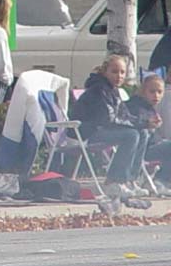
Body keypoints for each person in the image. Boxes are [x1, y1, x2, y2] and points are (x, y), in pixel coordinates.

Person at [72, 54, 147, 200]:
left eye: (122, 72)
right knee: (131, 135)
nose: (119, 76)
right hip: (88, 131)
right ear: (105, 72)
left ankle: (129, 180)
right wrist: (138, 124)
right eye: (114, 71)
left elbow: (124, 115)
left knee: (142, 132)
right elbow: (108, 118)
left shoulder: (113, 89)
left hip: (101, 129)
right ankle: (114, 181)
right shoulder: (100, 89)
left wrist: (144, 123)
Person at [125, 72, 171, 196]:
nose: (156, 95)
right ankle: (161, 180)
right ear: (143, 92)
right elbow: (135, 124)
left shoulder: (149, 107)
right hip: (141, 148)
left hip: (150, 144)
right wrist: (148, 124)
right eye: (152, 92)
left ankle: (161, 179)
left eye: (159, 92)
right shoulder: (137, 106)